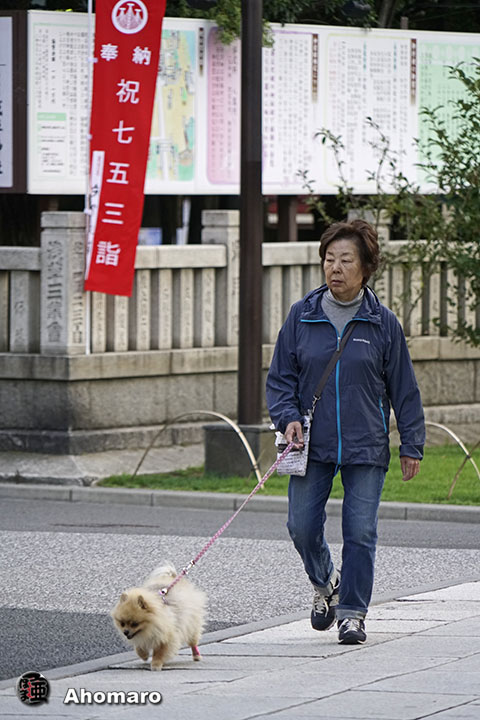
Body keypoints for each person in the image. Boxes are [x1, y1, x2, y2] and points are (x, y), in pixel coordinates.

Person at [266, 219, 425, 645]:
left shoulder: (382, 323)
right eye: (329, 259)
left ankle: (352, 613)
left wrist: (412, 443)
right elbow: (280, 378)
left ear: (366, 267)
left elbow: (404, 389)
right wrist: (287, 417)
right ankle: (326, 583)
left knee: (360, 532)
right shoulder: (302, 316)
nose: (335, 268)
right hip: (311, 444)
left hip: (366, 444)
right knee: (301, 526)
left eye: (346, 260)